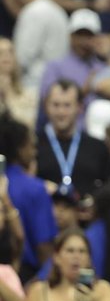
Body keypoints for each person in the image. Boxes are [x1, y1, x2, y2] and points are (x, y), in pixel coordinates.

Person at [0, 113, 58, 283]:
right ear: (20, 149)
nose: (35, 152)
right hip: (25, 277)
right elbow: (44, 248)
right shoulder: (35, 189)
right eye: (31, 146)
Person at [37, 79, 110, 197]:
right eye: (55, 105)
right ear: (46, 106)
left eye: (67, 105)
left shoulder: (98, 147)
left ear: (79, 107)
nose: (61, 112)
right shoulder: (33, 145)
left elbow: (108, 186)